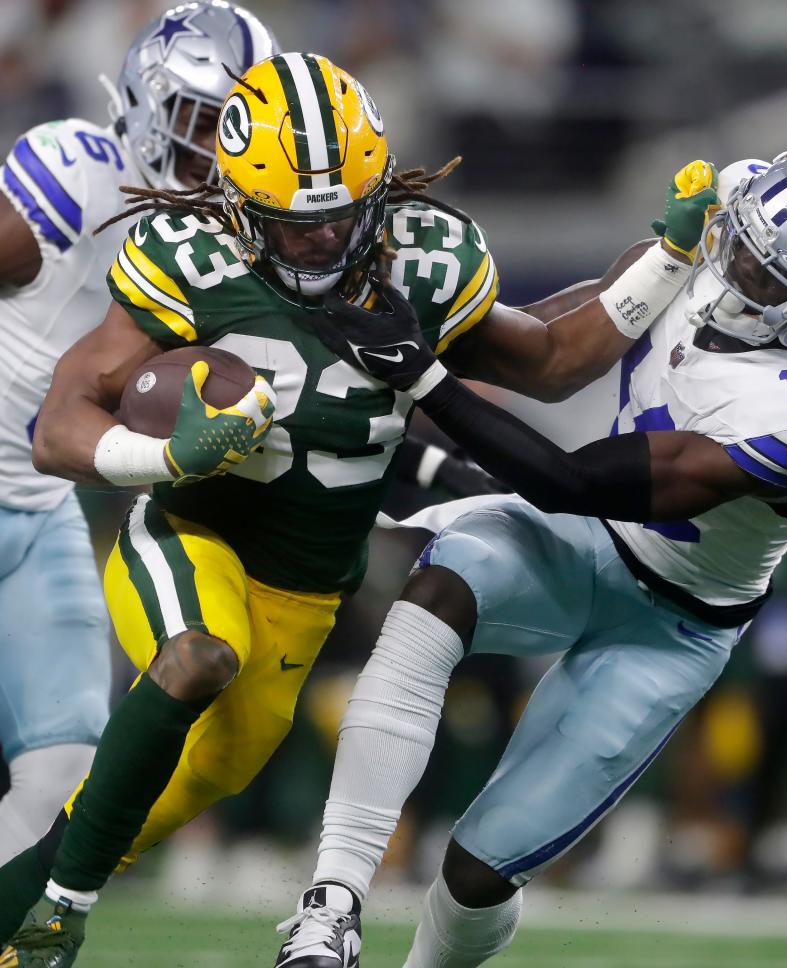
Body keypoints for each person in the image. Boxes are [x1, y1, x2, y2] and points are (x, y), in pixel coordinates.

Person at [0, 50, 708, 967]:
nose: (322, 243)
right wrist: (168, 455)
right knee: (195, 657)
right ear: (241, 206)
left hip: (306, 586)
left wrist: (670, 256)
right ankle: (60, 917)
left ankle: (24, 910)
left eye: (340, 218)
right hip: (193, 533)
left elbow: (552, 357)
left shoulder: (421, 256)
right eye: (294, 227)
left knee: (186, 779)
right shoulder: (190, 258)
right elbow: (60, 426)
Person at [276, 146, 787, 968]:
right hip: (588, 547)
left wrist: (420, 375)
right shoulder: (714, 238)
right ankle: (329, 908)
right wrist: (371, 301)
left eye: (767, 276)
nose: (728, 269)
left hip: (674, 622)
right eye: (739, 242)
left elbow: (568, 481)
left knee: (479, 870)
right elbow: (545, 356)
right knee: (440, 589)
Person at [0, 0, 277, 870]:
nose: (214, 153)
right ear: (151, 102)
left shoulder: (244, 241)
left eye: (235, 131)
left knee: (62, 777)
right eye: (202, 122)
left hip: (39, 513)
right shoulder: (80, 173)